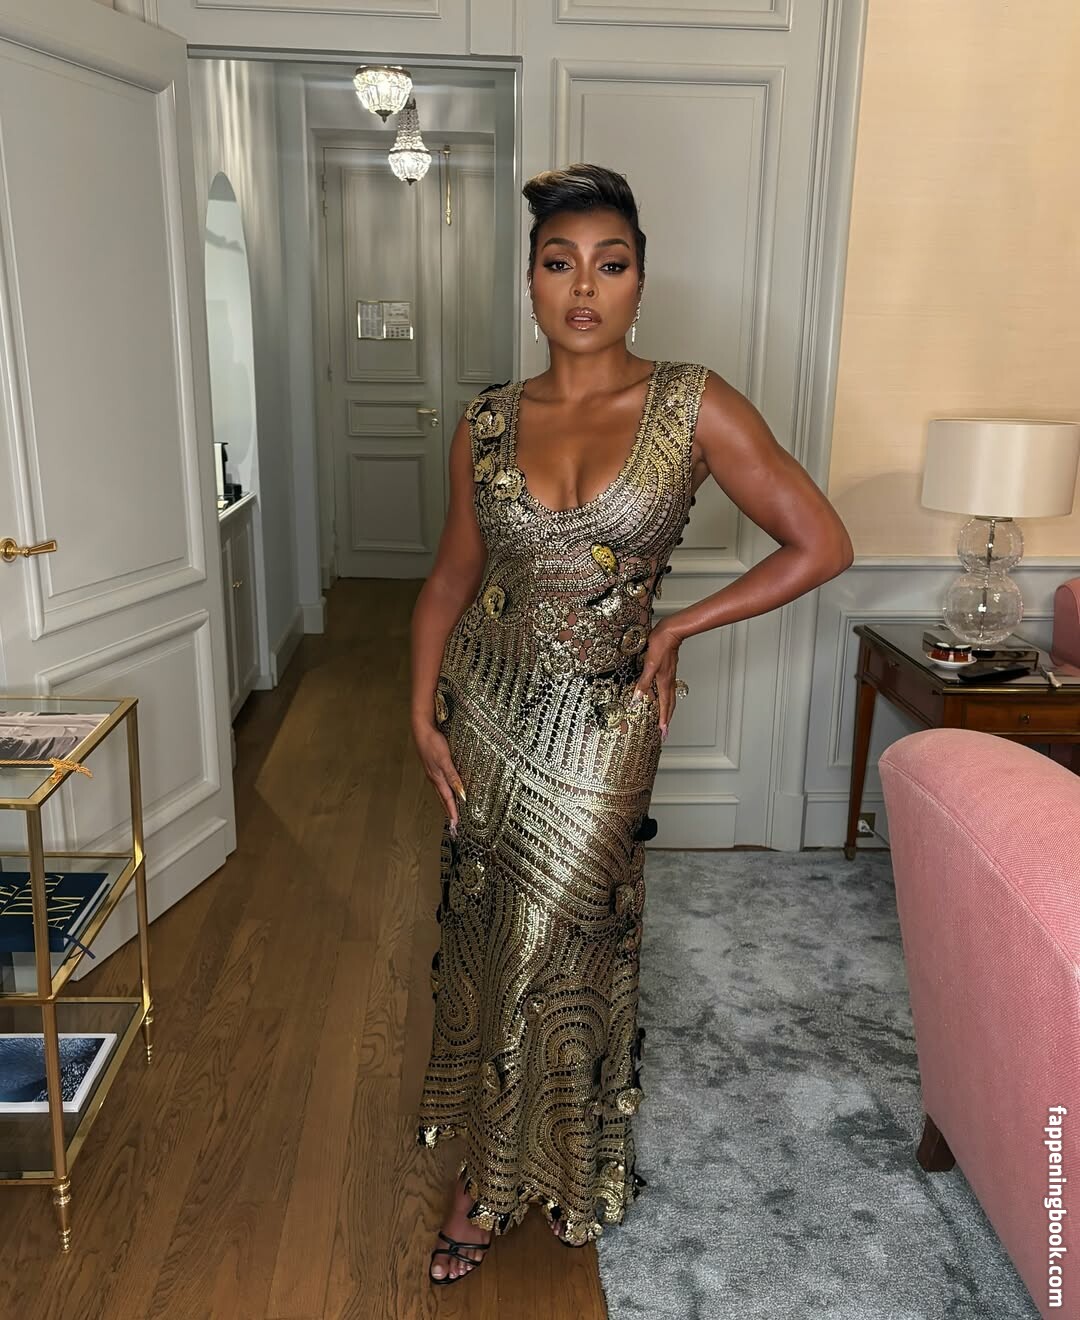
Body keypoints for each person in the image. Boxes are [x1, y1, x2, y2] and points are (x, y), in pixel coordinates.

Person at [410, 163, 854, 1285]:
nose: (583, 288)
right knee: (495, 934)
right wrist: (419, 709)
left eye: (609, 265)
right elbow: (452, 576)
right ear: (529, 280)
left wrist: (683, 624)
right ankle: (521, 1157)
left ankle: (499, 1179)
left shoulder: (693, 403)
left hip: (608, 718)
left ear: (640, 282)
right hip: (486, 707)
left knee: (565, 938)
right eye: (559, 264)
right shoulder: (488, 420)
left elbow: (822, 542)